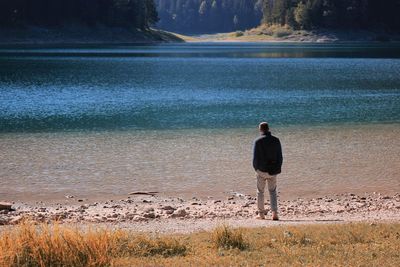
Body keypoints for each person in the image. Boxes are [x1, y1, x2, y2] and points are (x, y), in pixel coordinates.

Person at [252, 122, 283, 220]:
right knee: (273, 191)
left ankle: (261, 214)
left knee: (260, 192)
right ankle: (274, 213)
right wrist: (278, 168)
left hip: (261, 170)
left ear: (260, 129)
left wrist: (256, 169)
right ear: (268, 129)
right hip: (273, 170)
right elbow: (280, 157)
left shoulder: (257, 141)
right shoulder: (276, 140)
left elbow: (255, 158)